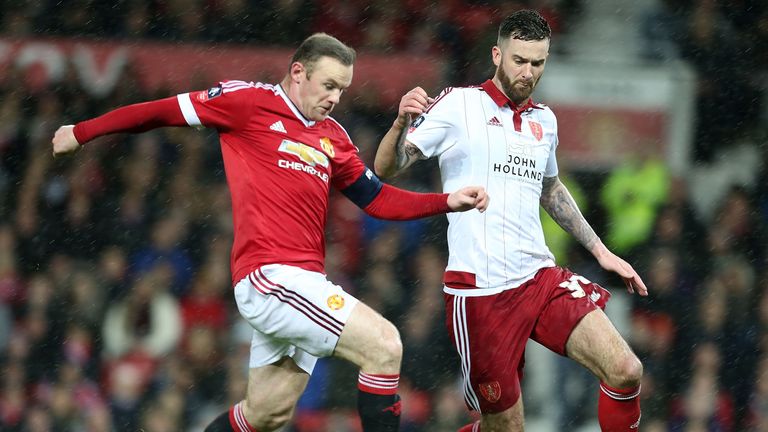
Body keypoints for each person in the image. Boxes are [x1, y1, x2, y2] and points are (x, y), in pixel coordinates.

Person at [51, 33, 489, 432]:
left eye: (343, 89)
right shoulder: (246, 101)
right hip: (269, 276)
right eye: (329, 85)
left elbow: (376, 200)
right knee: (384, 345)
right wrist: (82, 132)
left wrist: (445, 201)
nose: (336, 98)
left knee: (265, 415)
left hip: (304, 283)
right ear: (298, 72)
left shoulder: (333, 136)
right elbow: (160, 111)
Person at [374, 10, 647, 432]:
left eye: (538, 62)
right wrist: (398, 125)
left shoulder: (545, 121)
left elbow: (551, 189)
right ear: (497, 55)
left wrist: (601, 251)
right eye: (519, 60)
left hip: (538, 277)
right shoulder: (459, 104)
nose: (528, 72)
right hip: (480, 293)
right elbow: (388, 168)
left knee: (627, 370)